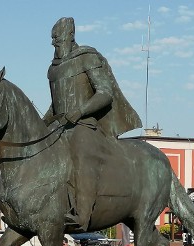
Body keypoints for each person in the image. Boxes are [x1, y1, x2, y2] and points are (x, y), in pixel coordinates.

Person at [42, 17, 141, 230]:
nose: (54, 43)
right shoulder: (53, 69)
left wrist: (79, 111)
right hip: (60, 125)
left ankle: (82, 214)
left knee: (81, 150)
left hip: (84, 124)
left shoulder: (87, 57)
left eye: (57, 38)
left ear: (69, 36)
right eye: (52, 39)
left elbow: (105, 93)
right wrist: (40, 124)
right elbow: (55, 104)